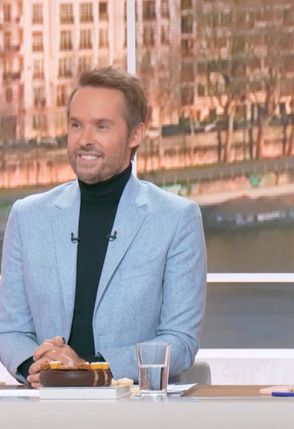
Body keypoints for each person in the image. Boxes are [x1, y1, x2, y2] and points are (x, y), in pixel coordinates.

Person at [0, 67, 207, 387]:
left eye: (101, 126)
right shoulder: (28, 217)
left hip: (135, 409)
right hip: (45, 408)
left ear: (135, 134)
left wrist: (89, 368)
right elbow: (10, 329)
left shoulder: (177, 219)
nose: (84, 140)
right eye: (76, 125)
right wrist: (36, 368)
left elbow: (179, 343)